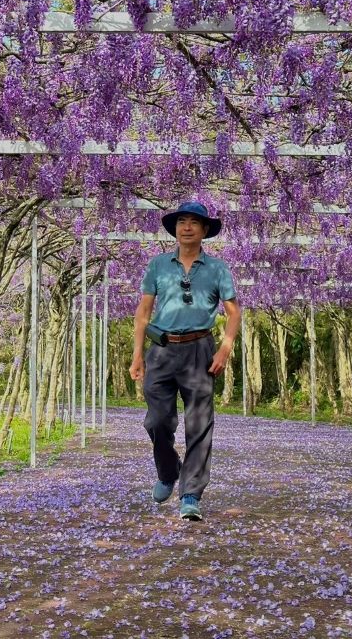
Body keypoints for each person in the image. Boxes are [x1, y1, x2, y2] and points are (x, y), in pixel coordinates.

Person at [128, 202, 240, 521]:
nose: (186, 227)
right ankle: (168, 471)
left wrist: (224, 348)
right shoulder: (158, 265)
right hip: (161, 349)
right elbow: (144, 311)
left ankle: (190, 494)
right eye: (181, 222)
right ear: (175, 229)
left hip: (199, 349)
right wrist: (137, 353)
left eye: (194, 222)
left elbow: (233, 313)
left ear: (205, 231)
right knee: (157, 421)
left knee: (199, 425)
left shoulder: (218, 269)